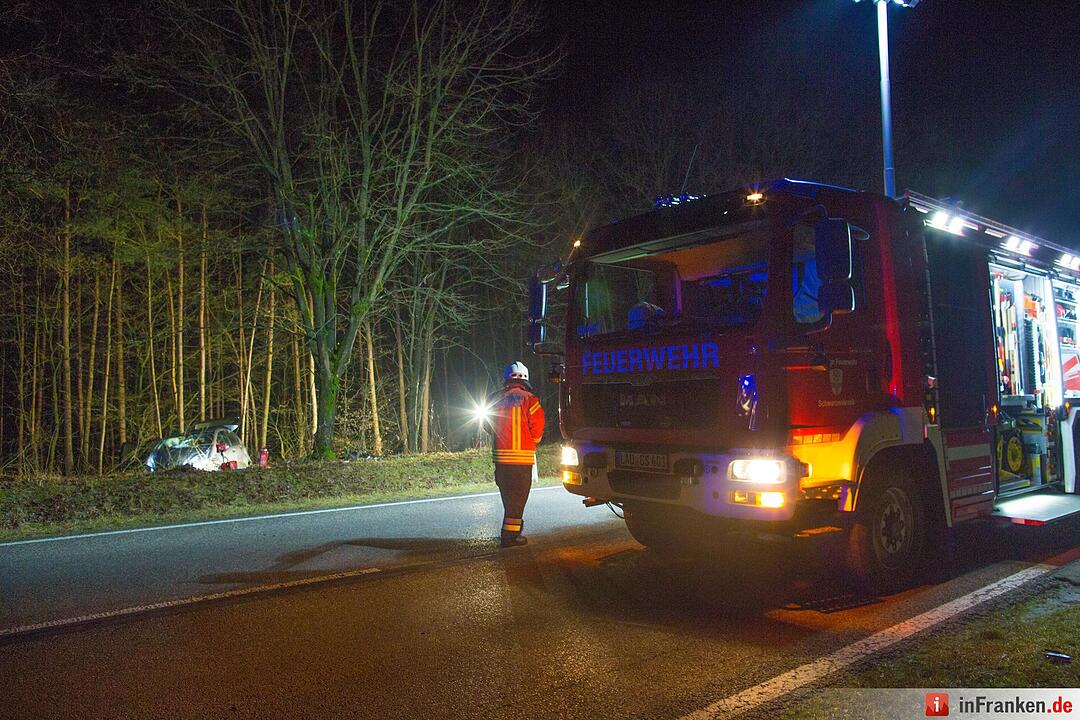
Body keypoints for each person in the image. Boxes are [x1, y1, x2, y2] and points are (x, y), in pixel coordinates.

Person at [485, 361, 545, 548]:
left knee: (509, 497)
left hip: (501, 460)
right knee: (518, 498)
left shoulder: (494, 398)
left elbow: (487, 426)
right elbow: (538, 427)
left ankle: (512, 529)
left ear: (506, 379)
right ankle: (510, 536)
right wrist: (532, 441)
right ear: (525, 379)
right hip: (522, 460)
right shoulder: (530, 399)